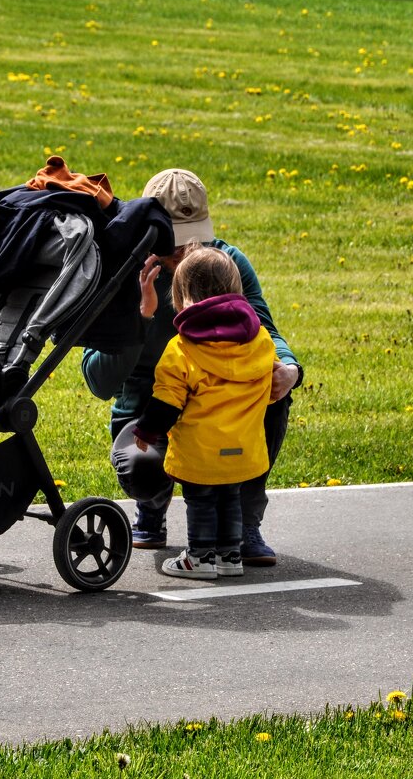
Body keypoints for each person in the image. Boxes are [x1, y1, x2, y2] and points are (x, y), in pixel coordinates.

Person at [81, 168, 303, 566]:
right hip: (152, 406)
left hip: (221, 404)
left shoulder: (225, 263)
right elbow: (100, 381)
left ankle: (244, 528)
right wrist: (141, 320)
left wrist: (289, 369)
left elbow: (265, 330)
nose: (186, 250)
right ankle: (151, 509)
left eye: (194, 238)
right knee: (143, 468)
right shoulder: (120, 270)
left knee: (271, 394)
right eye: (175, 241)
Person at [131, 246, 274, 578]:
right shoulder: (260, 341)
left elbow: (167, 399)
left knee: (201, 500)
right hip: (244, 447)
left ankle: (200, 556)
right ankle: (229, 556)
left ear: (180, 298)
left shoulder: (182, 348)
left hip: (200, 449)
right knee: (229, 498)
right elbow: (267, 382)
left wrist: (146, 432)